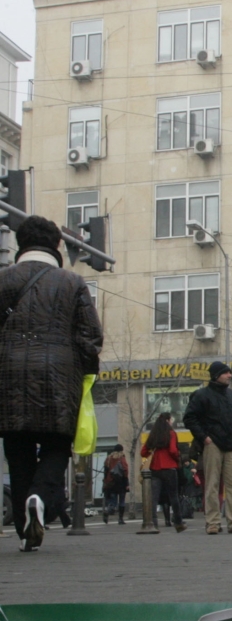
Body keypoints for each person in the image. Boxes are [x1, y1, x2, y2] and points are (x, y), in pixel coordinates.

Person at [0, 215, 104, 552]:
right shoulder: (72, 282)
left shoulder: (3, 280)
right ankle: (39, 497)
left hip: (9, 376)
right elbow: (91, 337)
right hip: (58, 376)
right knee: (57, 444)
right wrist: (85, 374)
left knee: (17, 452)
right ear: (57, 245)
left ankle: (25, 531)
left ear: (20, 244)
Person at [183, 361, 232, 534]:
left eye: (230, 372)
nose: (230, 375)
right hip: (212, 444)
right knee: (212, 485)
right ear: (216, 375)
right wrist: (204, 437)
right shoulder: (201, 395)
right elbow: (189, 418)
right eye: (226, 373)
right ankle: (212, 522)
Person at [141, 412, 186, 532]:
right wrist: (178, 457)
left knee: (154, 498)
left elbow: (143, 452)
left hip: (155, 468)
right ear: (167, 421)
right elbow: (172, 450)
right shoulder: (171, 433)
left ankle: (153, 522)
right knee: (173, 497)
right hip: (170, 468)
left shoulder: (154, 434)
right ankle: (178, 522)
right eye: (171, 420)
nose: (172, 422)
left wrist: (153, 453)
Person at [102, 445, 130, 524]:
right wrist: (126, 483)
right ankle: (120, 519)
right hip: (121, 483)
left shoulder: (108, 458)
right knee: (121, 501)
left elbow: (105, 471)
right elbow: (125, 470)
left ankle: (107, 511)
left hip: (111, 483)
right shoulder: (122, 458)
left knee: (112, 502)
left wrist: (105, 481)